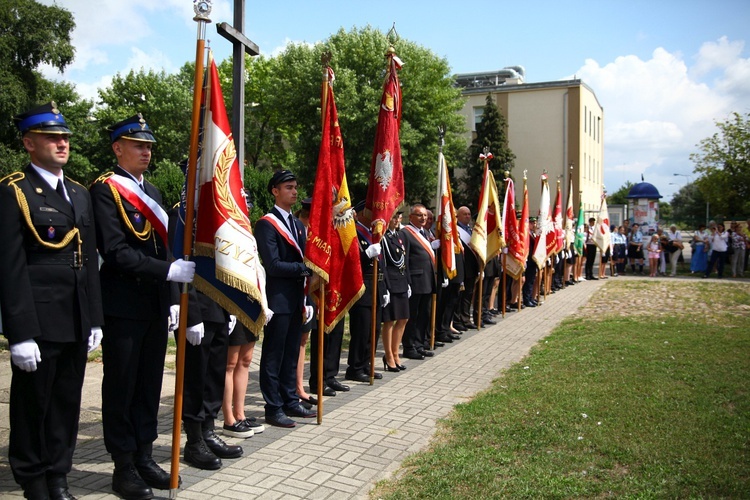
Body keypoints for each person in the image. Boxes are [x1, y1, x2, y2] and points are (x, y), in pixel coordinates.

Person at [0, 102, 104, 500]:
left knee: (65, 404)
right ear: (29, 143)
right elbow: (9, 268)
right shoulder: (16, 191)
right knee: (32, 406)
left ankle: (58, 474)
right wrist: (20, 332)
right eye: (51, 137)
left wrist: (95, 319)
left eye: (65, 138)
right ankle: (31, 479)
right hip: (39, 319)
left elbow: (89, 259)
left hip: (76, 317)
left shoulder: (78, 193)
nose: (62, 143)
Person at [90, 114, 196, 499]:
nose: (146, 151)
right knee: (122, 386)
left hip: (152, 304)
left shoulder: (150, 190)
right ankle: (122, 465)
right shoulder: (105, 190)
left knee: (150, 385)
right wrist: (168, 272)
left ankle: (145, 454)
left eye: (149, 145)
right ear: (118, 148)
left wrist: (170, 299)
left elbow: (163, 249)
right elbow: (115, 251)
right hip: (122, 304)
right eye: (138, 145)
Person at [254, 170, 316, 428]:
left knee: (291, 353)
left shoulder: (298, 225)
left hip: (295, 299)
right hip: (278, 299)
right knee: (273, 355)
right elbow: (273, 265)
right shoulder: (266, 224)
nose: (294, 191)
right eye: (288, 187)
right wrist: (305, 269)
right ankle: (273, 406)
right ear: (275, 191)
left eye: (295, 186)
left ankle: (290, 399)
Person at [346, 201, 385, 382]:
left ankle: (367, 364)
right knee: (361, 330)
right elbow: (350, 261)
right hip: (361, 287)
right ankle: (355, 367)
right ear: (361, 213)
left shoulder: (373, 234)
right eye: (370, 212)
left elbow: (383, 264)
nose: (374, 217)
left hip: (376, 287)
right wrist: (366, 254)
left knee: (374, 330)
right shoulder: (353, 232)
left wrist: (385, 289)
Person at [401, 204, 438, 360]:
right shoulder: (406, 233)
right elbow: (405, 260)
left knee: (424, 314)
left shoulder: (424, 233)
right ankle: (409, 347)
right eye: (419, 215)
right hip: (415, 281)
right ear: (411, 217)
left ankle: (420, 344)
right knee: (412, 316)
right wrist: (407, 282)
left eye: (424, 215)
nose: (423, 218)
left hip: (427, 281)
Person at [381, 211, 410, 371]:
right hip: (391, 283)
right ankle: (389, 356)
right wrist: (385, 287)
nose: (397, 220)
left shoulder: (399, 236)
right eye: (394, 217)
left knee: (403, 318)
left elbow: (405, 261)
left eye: (398, 217)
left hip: (402, 281)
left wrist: (409, 282)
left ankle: (396, 352)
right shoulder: (383, 238)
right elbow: (384, 264)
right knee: (390, 321)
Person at [453, 207, 479, 331]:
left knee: (468, 295)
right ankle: (457, 320)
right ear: (458, 216)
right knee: (459, 296)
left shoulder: (470, 230)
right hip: (460, 268)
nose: (468, 216)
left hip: (471, 268)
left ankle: (466, 318)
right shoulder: (455, 229)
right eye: (465, 214)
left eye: (469, 214)